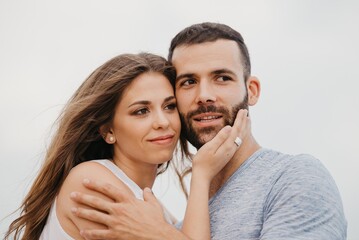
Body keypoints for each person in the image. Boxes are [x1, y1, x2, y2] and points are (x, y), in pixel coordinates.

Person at [70, 22, 347, 240]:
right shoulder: (173, 223)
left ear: (252, 91)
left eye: (222, 78)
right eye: (189, 81)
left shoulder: (294, 177)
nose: (204, 96)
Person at [5, 52, 251, 240]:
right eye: (141, 111)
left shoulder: (153, 213)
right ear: (108, 130)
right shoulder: (91, 183)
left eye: (169, 106)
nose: (162, 122)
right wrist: (201, 175)